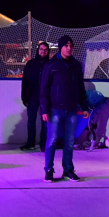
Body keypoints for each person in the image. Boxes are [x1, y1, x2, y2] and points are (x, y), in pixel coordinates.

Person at [39, 35, 89, 182]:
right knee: (52, 140)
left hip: (71, 109)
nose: (69, 48)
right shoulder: (51, 65)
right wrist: (45, 110)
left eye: (71, 45)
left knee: (68, 141)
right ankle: (49, 169)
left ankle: (68, 170)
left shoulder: (76, 65)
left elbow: (80, 87)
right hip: (55, 109)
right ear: (61, 47)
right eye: (66, 45)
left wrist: (84, 106)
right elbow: (44, 89)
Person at [20, 42, 50, 151]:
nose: (43, 51)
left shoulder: (50, 64)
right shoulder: (31, 64)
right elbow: (25, 81)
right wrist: (24, 96)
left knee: (45, 122)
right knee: (31, 121)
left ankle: (44, 144)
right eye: (41, 49)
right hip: (32, 96)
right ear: (38, 50)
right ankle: (30, 143)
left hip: (46, 98)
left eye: (45, 49)